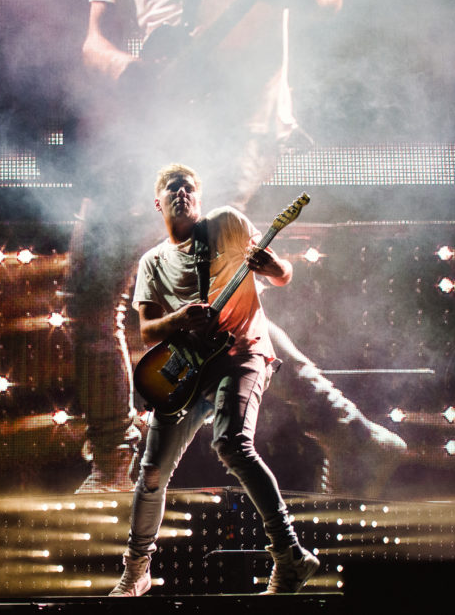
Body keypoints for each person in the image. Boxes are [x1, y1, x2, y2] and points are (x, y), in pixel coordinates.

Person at [70, 0, 406, 496]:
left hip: (239, 123)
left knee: (202, 299)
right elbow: (93, 42)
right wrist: (128, 70)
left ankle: (111, 462)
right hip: (154, 123)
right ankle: (350, 434)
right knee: (94, 291)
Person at [110, 163, 317, 596]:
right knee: (149, 474)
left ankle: (289, 555)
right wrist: (182, 318)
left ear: (198, 200)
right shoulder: (153, 262)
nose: (181, 192)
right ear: (158, 202)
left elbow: (281, 277)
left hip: (241, 354)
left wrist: (273, 264)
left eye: (188, 187)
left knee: (231, 443)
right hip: (186, 373)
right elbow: (147, 331)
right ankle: (137, 569)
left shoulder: (228, 224)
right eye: (172, 187)